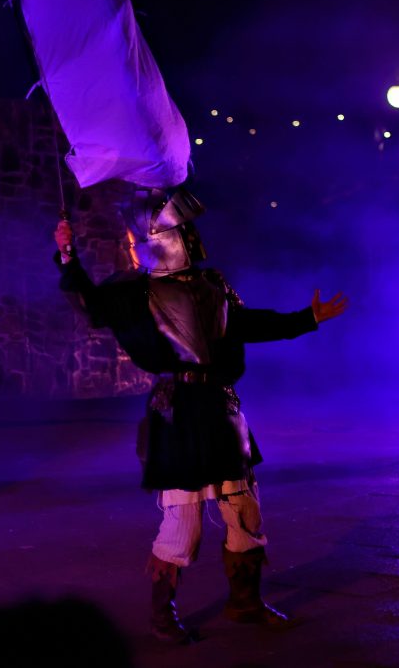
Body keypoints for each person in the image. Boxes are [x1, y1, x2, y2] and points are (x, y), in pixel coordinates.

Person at [53, 188, 347, 643]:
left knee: (244, 510)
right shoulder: (135, 292)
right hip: (178, 413)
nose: (189, 235)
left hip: (222, 408)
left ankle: (245, 602)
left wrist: (305, 318)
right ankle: (162, 616)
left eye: (187, 228)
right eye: (181, 229)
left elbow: (249, 324)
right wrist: (68, 256)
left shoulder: (214, 285)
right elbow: (91, 306)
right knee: (183, 522)